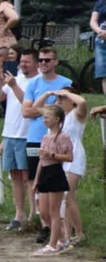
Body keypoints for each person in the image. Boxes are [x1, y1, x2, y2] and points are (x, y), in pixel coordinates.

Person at [21, 47, 72, 245]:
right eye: (40, 60)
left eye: (47, 60)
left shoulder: (66, 83)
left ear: (55, 62)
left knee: (59, 181)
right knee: (36, 179)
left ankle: (62, 227)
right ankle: (45, 225)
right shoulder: (33, 84)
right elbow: (26, 112)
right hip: (35, 137)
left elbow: (66, 110)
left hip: (58, 138)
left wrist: (42, 111)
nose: (43, 63)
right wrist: (47, 109)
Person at [0, 49, 37, 230]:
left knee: (29, 177)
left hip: (27, 134)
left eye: (27, 61)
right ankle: (19, 214)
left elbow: (29, 104)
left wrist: (13, 86)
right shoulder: (14, 78)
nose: (23, 64)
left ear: (34, 63)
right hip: (10, 133)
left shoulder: (36, 81)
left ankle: (34, 214)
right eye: (21, 61)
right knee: (15, 176)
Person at [30, 104, 72, 255]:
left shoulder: (63, 137)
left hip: (55, 173)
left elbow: (69, 157)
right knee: (43, 212)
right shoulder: (45, 137)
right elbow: (41, 160)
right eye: (43, 117)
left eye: (47, 117)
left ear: (57, 119)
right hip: (44, 173)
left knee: (54, 212)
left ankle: (53, 244)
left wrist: (52, 155)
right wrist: (36, 180)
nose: (44, 120)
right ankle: (62, 240)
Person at [47, 88, 87, 248]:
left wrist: (66, 92)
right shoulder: (60, 120)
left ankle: (79, 233)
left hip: (75, 156)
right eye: (58, 99)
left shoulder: (77, 115)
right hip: (61, 158)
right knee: (63, 197)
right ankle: (67, 235)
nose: (60, 101)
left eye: (63, 98)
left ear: (71, 100)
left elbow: (83, 102)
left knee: (69, 195)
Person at [90, 0, 106, 95]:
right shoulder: (101, 3)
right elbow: (93, 21)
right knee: (105, 74)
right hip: (101, 43)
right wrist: (99, 31)